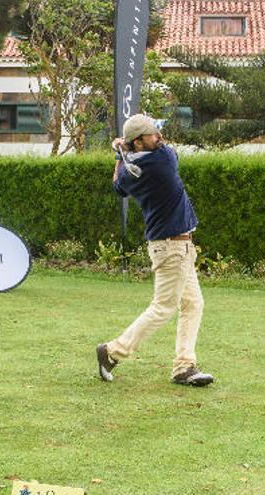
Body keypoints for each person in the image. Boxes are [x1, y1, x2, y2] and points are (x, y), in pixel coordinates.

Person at [96, 114, 215, 387]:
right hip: (173, 247)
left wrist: (119, 154)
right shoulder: (162, 160)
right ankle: (112, 351)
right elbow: (171, 152)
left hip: (173, 246)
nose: (159, 137)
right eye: (152, 134)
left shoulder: (129, 170)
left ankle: (184, 367)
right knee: (163, 307)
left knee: (193, 303)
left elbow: (118, 187)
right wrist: (123, 150)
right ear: (138, 142)